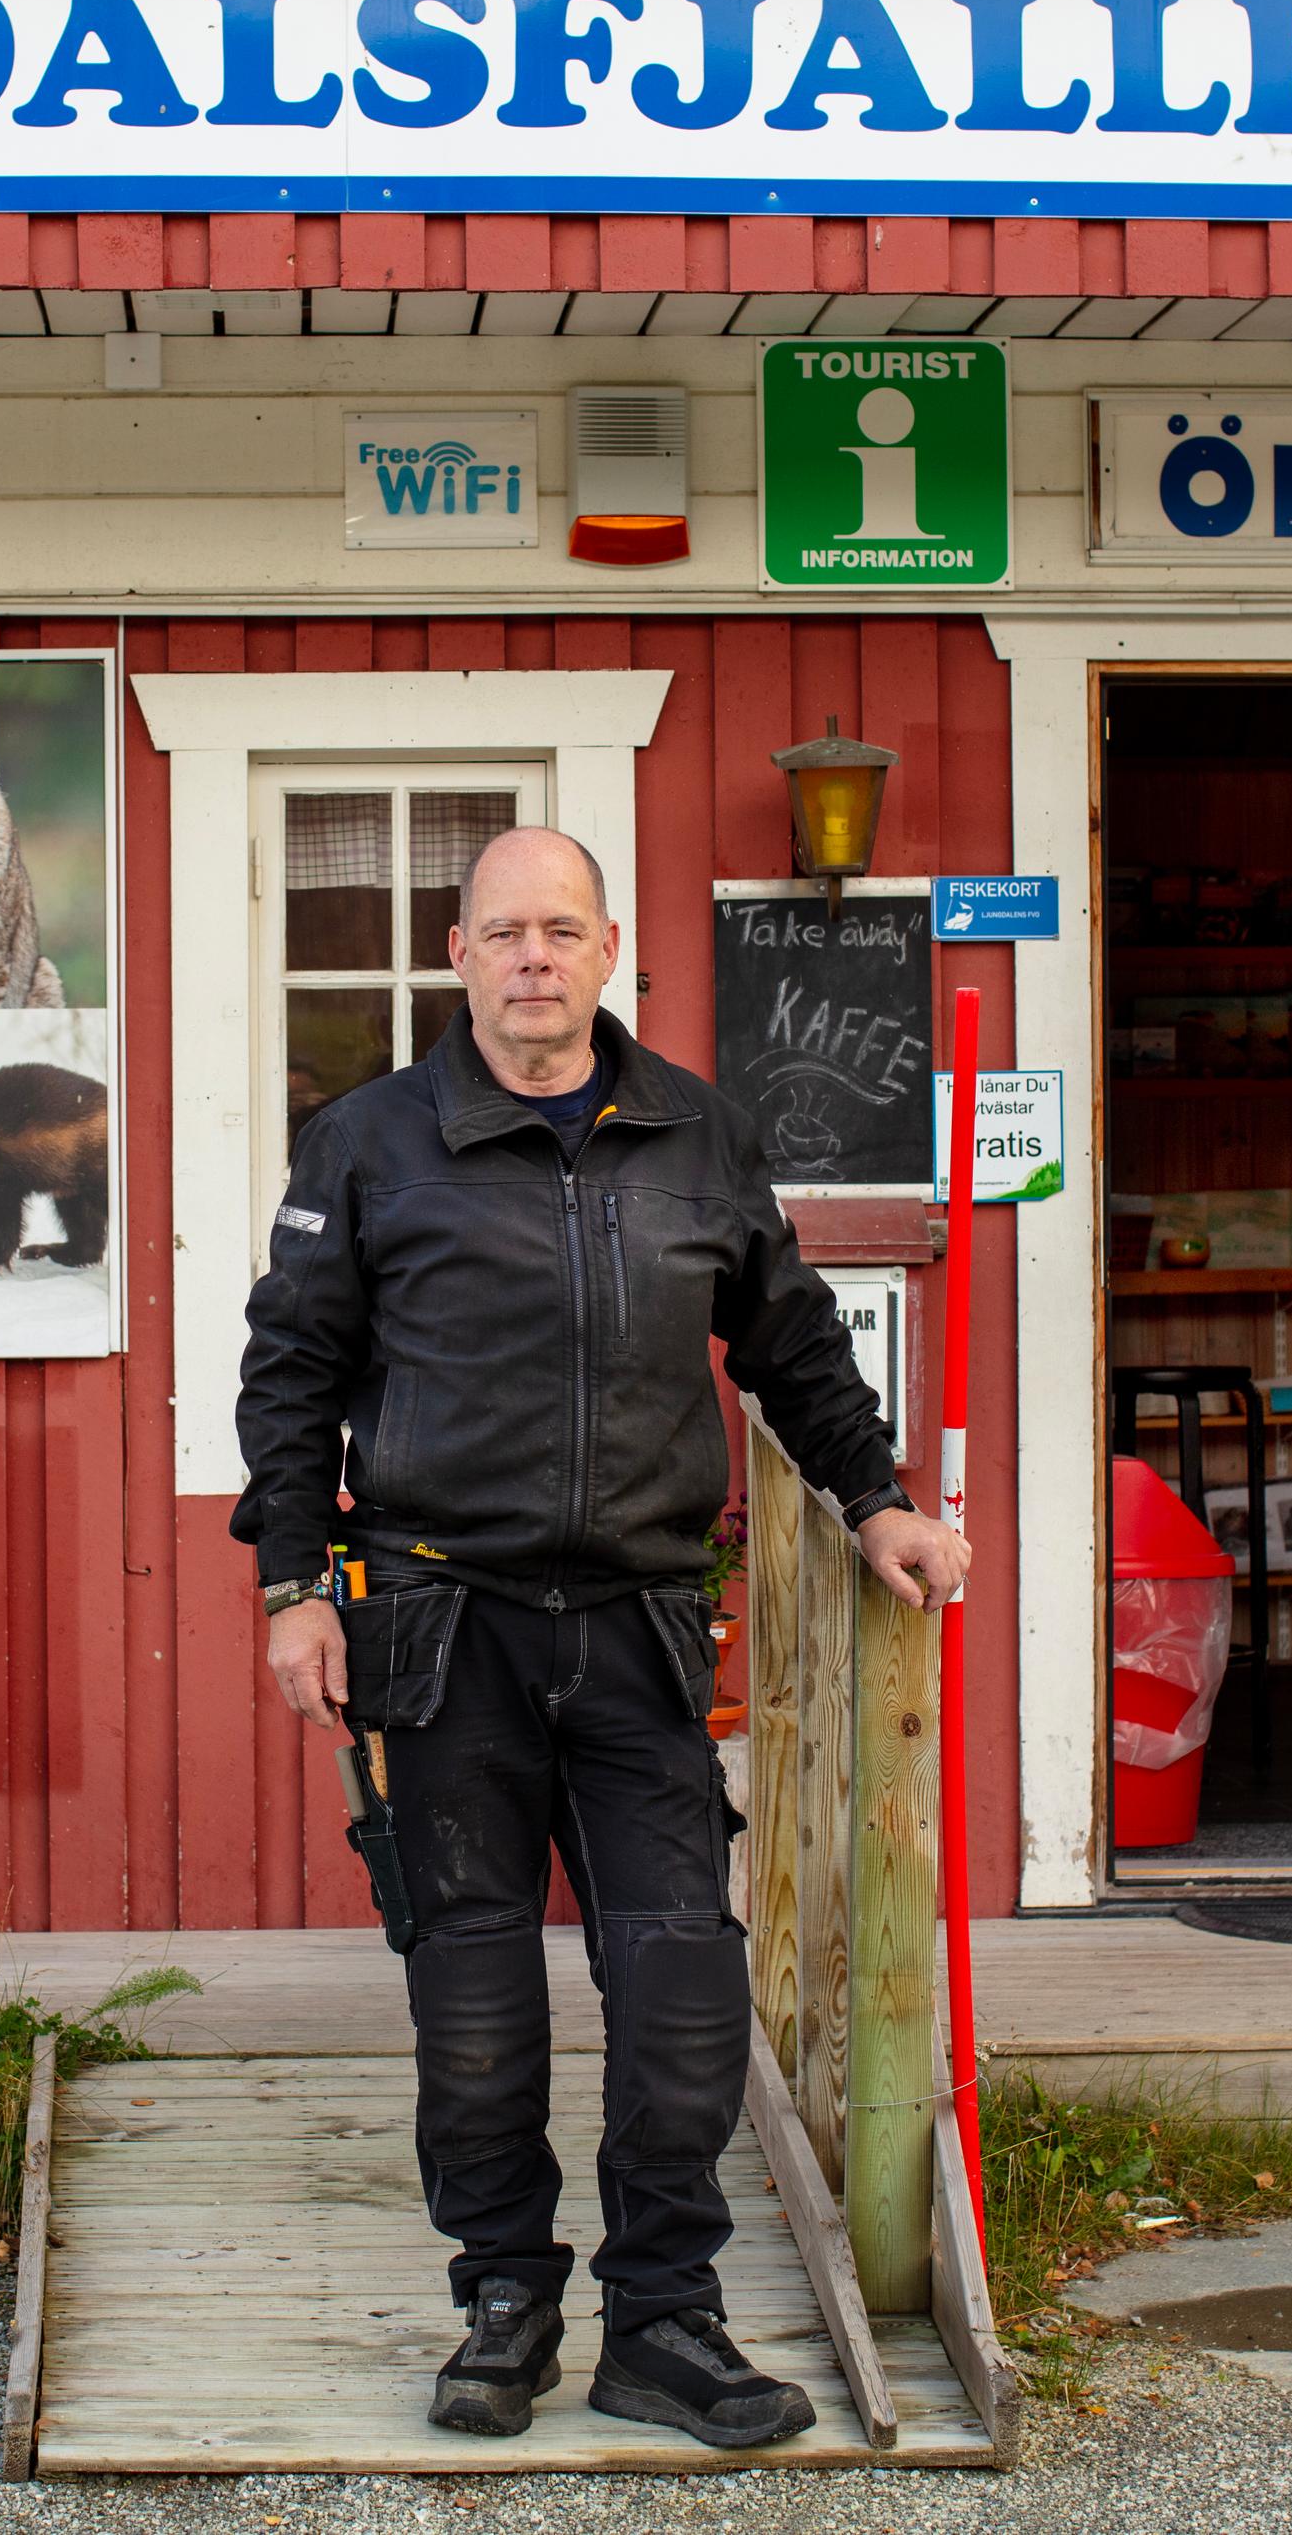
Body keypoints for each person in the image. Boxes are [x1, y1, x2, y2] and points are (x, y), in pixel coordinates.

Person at [235, 825, 969, 2448]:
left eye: (560, 929)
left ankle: (666, 2322)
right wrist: (296, 1585)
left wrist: (878, 1499)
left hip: (639, 1625)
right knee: (477, 1999)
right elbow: (288, 1374)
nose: (532, 959)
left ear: (607, 944)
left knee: (684, 1986)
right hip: (441, 1628)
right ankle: (504, 2302)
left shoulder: (696, 1133)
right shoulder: (370, 1141)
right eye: (503, 932)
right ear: (458, 951)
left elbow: (793, 1339)